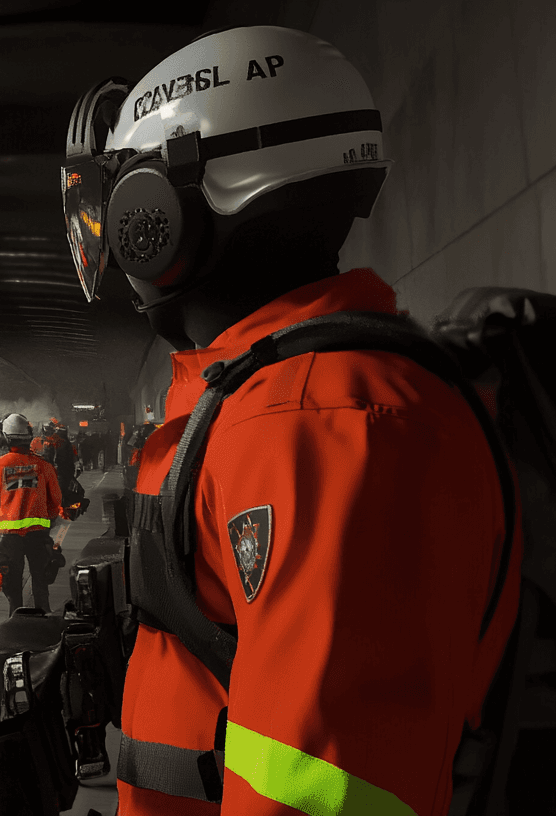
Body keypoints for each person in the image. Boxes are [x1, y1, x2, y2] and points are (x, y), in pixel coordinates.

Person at [61, 26, 520, 811]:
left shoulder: (315, 424)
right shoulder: (277, 404)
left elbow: (320, 793)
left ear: (162, 206)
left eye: (118, 196)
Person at [0, 413, 61, 614]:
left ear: (4, 438)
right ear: (29, 436)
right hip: (39, 535)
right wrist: (47, 517)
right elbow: (56, 500)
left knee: (12, 587)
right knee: (41, 584)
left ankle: (15, 624)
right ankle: (44, 624)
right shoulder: (44, 466)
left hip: (8, 538)